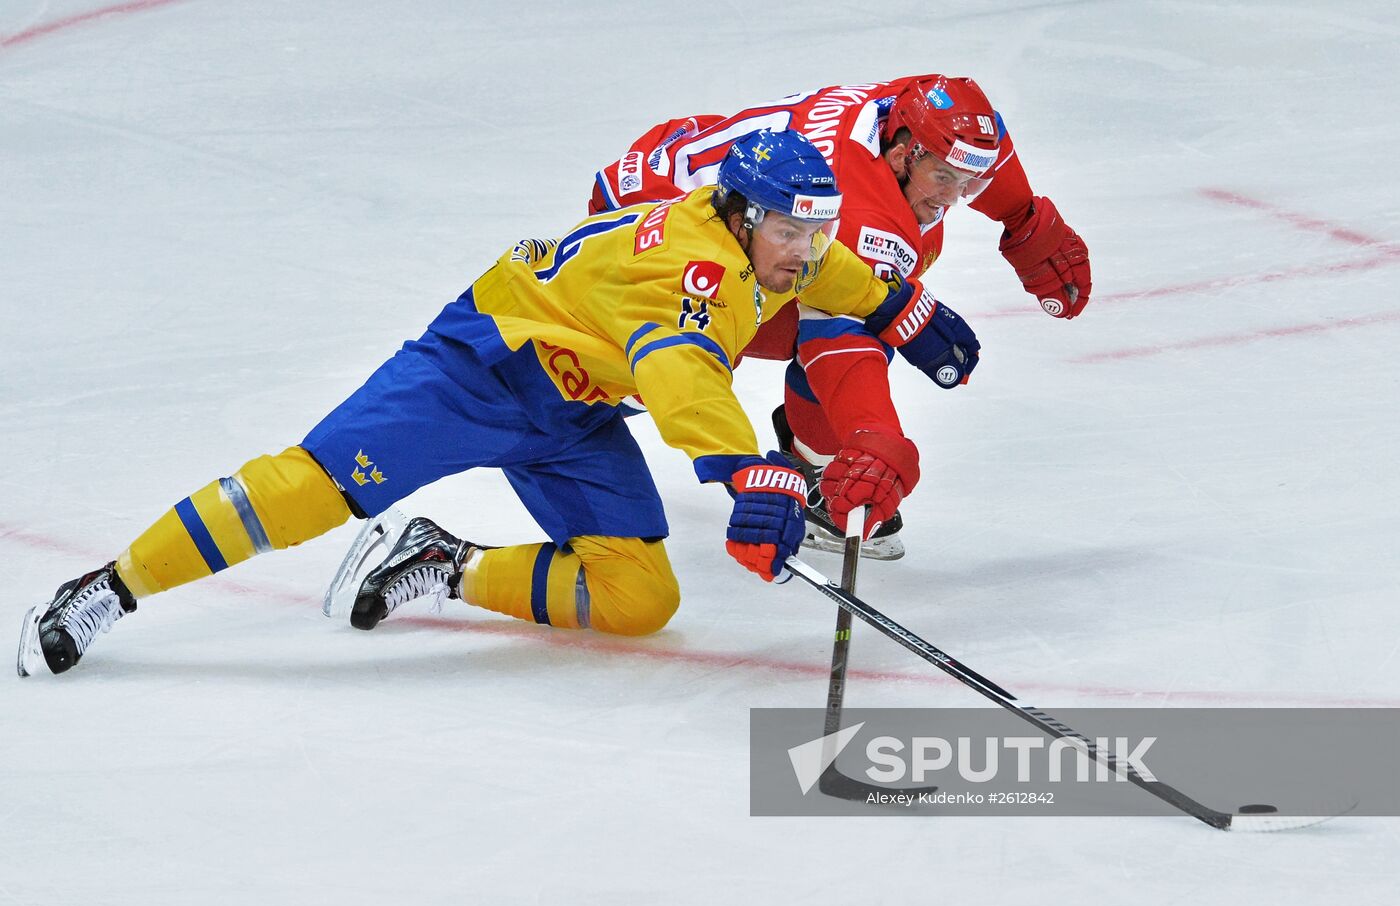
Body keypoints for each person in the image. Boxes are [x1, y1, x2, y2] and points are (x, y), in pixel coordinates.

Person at [16, 128, 976, 677]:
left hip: (575, 411)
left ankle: (445, 561)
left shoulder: (778, 249)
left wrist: (907, 305)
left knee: (641, 599)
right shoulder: (692, 272)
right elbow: (684, 375)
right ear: (737, 211)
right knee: (309, 491)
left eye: (813, 229)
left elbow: (837, 273)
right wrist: (748, 471)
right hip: (478, 371)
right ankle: (109, 586)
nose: (803, 250)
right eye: (787, 228)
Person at [591, 74, 1092, 559]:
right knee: (697, 347)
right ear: (901, 154)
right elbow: (836, 336)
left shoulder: (906, 109)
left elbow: (982, 143)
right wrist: (870, 440)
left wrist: (1023, 216)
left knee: (877, 302)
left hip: (682, 163)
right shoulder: (857, 220)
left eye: (968, 182)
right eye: (943, 179)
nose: (953, 199)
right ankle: (810, 469)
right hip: (657, 225)